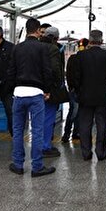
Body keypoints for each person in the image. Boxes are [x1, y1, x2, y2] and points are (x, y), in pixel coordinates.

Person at [6, 18, 56, 177]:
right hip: (36, 94)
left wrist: (12, 89)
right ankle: (37, 166)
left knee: (18, 130)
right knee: (37, 131)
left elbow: (11, 71)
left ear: (26, 30)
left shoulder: (17, 48)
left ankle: (18, 164)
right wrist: (47, 90)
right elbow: (47, 71)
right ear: (37, 30)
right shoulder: (43, 48)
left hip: (19, 93)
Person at [73, 30, 106, 161]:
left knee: (85, 125)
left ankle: (86, 153)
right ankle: (101, 152)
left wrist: (79, 90)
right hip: (103, 96)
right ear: (101, 40)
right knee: (102, 125)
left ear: (90, 39)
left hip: (85, 96)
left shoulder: (81, 56)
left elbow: (77, 77)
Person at [40, 26, 68, 158]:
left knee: (38, 118)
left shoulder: (35, 46)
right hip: (49, 90)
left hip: (33, 88)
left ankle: (38, 145)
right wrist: (58, 85)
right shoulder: (53, 49)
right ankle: (45, 146)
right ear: (56, 38)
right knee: (48, 117)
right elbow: (55, 70)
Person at [62, 37, 89, 142]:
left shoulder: (73, 58)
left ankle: (73, 133)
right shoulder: (84, 59)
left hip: (75, 90)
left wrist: (71, 87)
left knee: (76, 112)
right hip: (79, 90)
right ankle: (68, 134)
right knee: (75, 112)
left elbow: (68, 73)